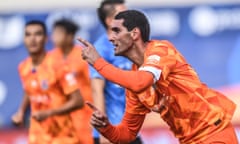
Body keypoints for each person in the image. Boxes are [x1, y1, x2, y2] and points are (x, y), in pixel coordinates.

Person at [78, 10, 238, 144]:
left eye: (116, 31)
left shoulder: (161, 50)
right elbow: (126, 134)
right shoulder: (134, 79)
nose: (110, 38)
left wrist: (98, 62)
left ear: (134, 34)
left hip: (214, 133)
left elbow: (142, 82)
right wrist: (105, 127)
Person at [12, 20, 83, 144]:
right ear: (23, 39)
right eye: (28, 35)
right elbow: (29, 90)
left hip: (62, 137)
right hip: (37, 137)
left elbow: (78, 101)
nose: (32, 39)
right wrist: (21, 112)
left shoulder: (58, 65)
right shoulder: (24, 67)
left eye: (37, 34)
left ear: (45, 39)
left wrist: (50, 113)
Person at [90, 0, 142, 144]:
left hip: (130, 128)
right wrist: (104, 131)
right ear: (109, 21)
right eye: (123, 14)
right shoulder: (101, 49)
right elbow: (97, 90)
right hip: (112, 131)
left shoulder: (129, 45)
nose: (129, 17)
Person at [50, 19, 93, 144]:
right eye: (54, 33)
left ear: (70, 36)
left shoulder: (84, 56)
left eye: (58, 33)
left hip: (84, 116)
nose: (54, 37)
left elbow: (95, 84)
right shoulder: (51, 58)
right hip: (60, 117)